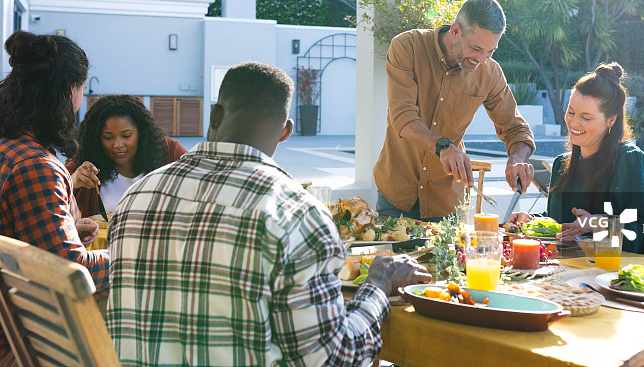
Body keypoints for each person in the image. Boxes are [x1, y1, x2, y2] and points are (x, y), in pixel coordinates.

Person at [107, 61, 431, 366]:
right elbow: (333, 359)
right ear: (286, 131)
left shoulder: (136, 197)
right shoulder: (299, 215)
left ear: (214, 116)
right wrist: (377, 282)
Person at [0, 31, 109, 366]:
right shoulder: (35, 166)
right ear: (70, 90)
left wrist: (67, 228)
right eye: (83, 90)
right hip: (14, 343)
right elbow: (74, 274)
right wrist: (132, 257)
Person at [374, 0, 536, 220]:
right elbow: (402, 117)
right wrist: (443, 146)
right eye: (476, 48)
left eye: (490, 52)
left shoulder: (490, 72)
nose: (482, 60)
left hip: (445, 203)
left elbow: (516, 129)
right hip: (396, 193)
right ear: (456, 31)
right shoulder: (407, 47)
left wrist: (517, 158)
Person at [509, 62, 644, 256]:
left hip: (612, 277)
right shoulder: (562, 164)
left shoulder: (630, 161)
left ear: (611, 119)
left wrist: (598, 224)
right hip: (566, 275)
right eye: (571, 112)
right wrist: (531, 221)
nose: (574, 122)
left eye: (586, 117)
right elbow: (561, 223)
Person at [66, 94, 188, 217]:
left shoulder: (168, 150)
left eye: (126, 136)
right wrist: (72, 182)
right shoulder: (83, 163)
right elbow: (52, 193)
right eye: (108, 137)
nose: (118, 145)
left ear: (141, 132)